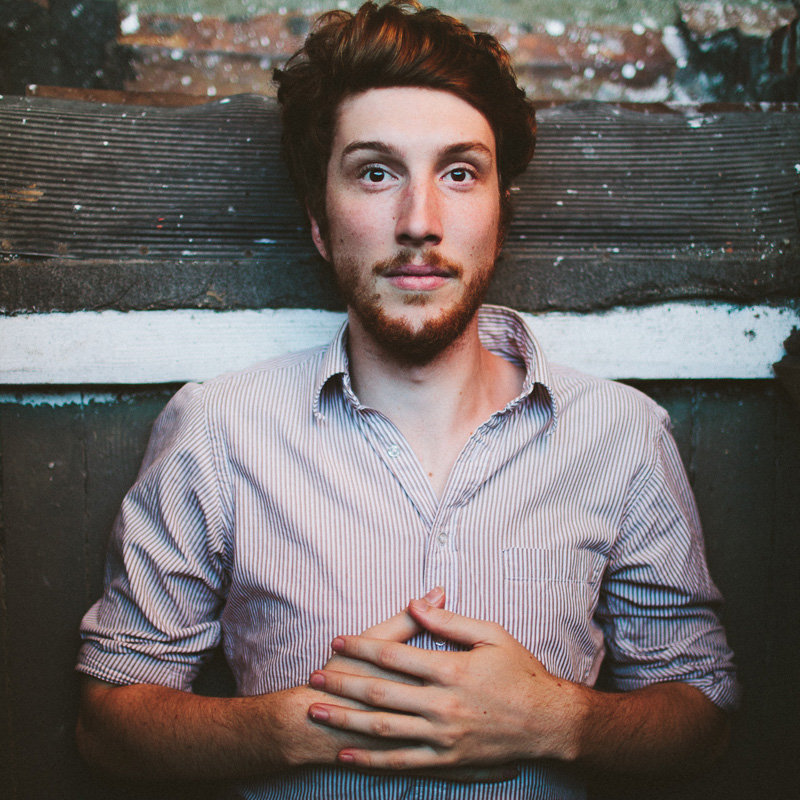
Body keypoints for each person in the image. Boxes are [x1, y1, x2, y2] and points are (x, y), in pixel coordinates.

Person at [75, 2, 738, 798]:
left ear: (499, 214)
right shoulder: (219, 430)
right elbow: (106, 727)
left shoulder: (621, 435)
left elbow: (705, 719)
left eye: (459, 173)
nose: (419, 222)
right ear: (319, 222)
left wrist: (560, 719)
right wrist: (292, 728)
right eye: (375, 172)